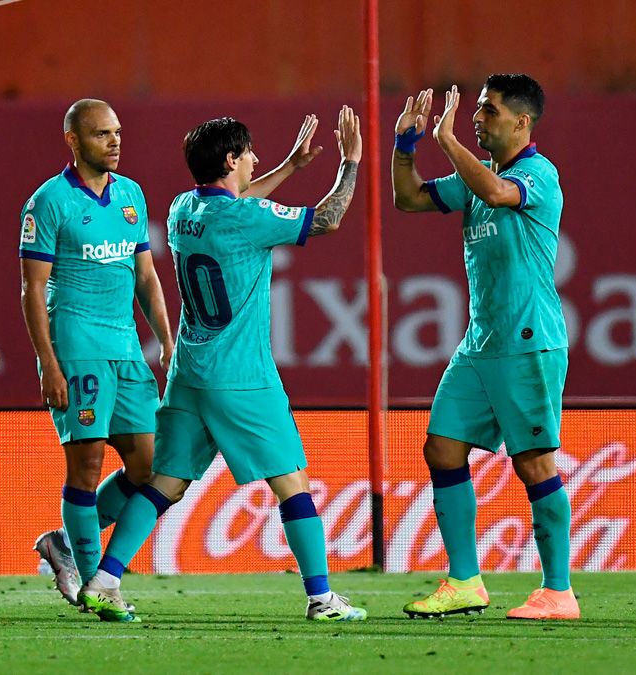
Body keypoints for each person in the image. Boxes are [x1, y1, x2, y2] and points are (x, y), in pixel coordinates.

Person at [79, 107, 367, 623]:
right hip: (243, 377)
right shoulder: (245, 218)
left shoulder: (182, 209)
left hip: (190, 372)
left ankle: (103, 580)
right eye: (250, 153)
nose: (257, 160)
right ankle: (321, 598)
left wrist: (290, 167)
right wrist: (349, 162)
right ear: (232, 159)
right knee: (292, 483)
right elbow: (330, 217)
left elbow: (236, 203)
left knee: (164, 482)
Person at [390, 74, 578, 620]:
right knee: (442, 447)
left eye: (488, 111)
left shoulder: (537, 174)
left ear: (522, 122)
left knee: (535, 463)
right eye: (476, 109)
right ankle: (466, 580)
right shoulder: (481, 176)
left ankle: (558, 591)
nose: (477, 118)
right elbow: (408, 199)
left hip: (527, 341)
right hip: (480, 343)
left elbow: (497, 194)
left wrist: (447, 140)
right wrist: (407, 145)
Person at [20, 99, 174, 607]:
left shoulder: (131, 195)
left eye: (118, 132)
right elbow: (32, 289)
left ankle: (63, 544)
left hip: (126, 348)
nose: (115, 141)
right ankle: (95, 584)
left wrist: (166, 340)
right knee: (85, 467)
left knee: (149, 467)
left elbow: (147, 278)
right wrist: (48, 362)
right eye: (102, 134)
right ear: (73, 140)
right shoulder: (48, 203)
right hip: (79, 346)